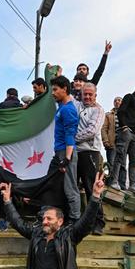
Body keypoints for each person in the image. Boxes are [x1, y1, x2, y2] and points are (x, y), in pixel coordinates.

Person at [75, 82, 106, 234]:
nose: (87, 97)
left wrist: (71, 138)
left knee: (91, 188)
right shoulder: (76, 105)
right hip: (74, 153)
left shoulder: (98, 110)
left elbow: (92, 131)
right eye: (84, 94)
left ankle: (98, 222)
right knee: (72, 187)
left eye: (90, 94)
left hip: (90, 153)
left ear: (95, 95)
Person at [49, 75, 81, 220]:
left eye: (55, 89)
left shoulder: (68, 110)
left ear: (65, 89)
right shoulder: (61, 106)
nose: (53, 93)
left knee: (70, 189)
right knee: (56, 186)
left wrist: (67, 158)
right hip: (60, 152)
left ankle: (75, 221)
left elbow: (70, 135)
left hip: (66, 153)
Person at [109, 83, 135, 192]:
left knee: (134, 160)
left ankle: (132, 185)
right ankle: (114, 181)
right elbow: (121, 111)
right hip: (126, 132)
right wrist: (124, 126)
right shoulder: (129, 97)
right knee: (120, 157)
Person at [101, 96, 121, 184]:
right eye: (115, 100)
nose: (117, 102)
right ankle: (110, 183)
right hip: (112, 143)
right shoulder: (108, 115)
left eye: (119, 100)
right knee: (111, 164)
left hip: (122, 143)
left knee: (121, 164)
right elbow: (104, 128)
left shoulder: (126, 114)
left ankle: (120, 184)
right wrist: (105, 141)